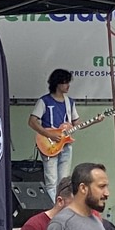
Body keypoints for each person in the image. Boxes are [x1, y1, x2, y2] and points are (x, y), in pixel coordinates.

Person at [28, 69, 81, 199]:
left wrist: (94, 121)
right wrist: (49, 135)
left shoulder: (70, 102)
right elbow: (32, 122)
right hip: (49, 144)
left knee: (64, 182)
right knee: (51, 181)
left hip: (65, 144)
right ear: (57, 83)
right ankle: (53, 209)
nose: (68, 85)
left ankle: (62, 208)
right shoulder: (44, 101)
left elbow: (76, 122)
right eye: (65, 82)